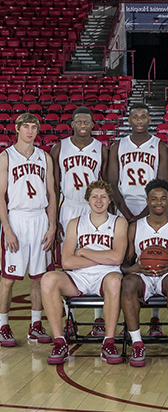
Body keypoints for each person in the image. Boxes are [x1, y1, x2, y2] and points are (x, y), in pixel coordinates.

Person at [41, 181, 127, 364]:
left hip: (106, 276)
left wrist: (85, 252)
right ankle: (59, 342)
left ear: (110, 199)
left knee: (114, 282)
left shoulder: (119, 222)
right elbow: (66, 261)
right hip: (78, 277)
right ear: (87, 199)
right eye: (94, 196)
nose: (99, 200)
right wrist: (104, 257)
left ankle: (109, 342)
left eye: (103, 196)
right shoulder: (75, 224)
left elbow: (118, 257)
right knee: (48, 279)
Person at [108, 102, 168, 336]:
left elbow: (162, 183)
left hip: (152, 207)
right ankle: (125, 320)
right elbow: (112, 182)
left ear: (149, 119)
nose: (140, 119)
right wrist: (126, 214)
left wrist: (146, 213)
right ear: (129, 119)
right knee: (124, 264)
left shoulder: (160, 146)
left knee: (155, 257)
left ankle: (154, 320)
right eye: (135, 116)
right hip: (124, 207)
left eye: (144, 115)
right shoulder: (117, 146)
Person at [50, 106, 109, 336]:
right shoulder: (59, 148)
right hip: (68, 207)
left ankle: (98, 319)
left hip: (93, 207)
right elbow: (53, 187)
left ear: (93, 124)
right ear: (71, 124)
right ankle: (70, 319)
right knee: (68, 264)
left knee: (97, 260)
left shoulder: (102, 149)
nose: (83, 125)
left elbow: (106, 184)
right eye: (78, 121)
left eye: (87, 122)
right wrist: (53, 221)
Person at [0, 113, 57, 347]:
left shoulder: (44, 157)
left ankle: (35, 325)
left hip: (40, 219)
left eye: (34, 127)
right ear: (16, 128)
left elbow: (52, 194)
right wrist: (7, 228)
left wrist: (52, 225)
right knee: (8, 279)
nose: (30, 131)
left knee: (39, 277)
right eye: (26, 126)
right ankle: (3, 325)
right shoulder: (6, 157)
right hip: (17, 219)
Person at [121, 179, 168, 367]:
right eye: (154, 199)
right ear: (147, 201)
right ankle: (137, 343)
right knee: (127, 283)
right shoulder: (135, 228)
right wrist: (132, 269)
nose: (159, 203)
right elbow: (125, 263)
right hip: (143, 275)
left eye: (163, 199)